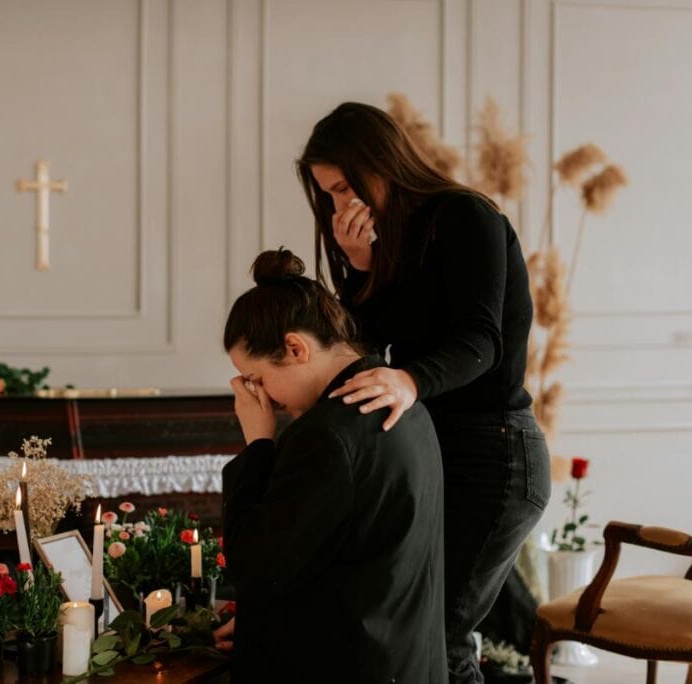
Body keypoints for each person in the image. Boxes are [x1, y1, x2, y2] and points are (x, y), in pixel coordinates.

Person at [296, 102, 551, 683]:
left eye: (344, 187)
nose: (340, 207)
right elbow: (366, 352)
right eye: (327, 195)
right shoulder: (384, 244)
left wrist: (410, 380)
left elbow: (481, 341)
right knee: (416, 632)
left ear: (379, 163)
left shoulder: (466, 218)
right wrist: (361, 269)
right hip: (439, 454)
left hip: (498, 459)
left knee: (439, 636)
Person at [214, 248, 446, 682]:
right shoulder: (406, 404)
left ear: (295, 347)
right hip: (408, 661)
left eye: (257, 379)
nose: (260, 396)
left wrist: (258, 444)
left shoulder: (325, 433)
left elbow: (254, 568)